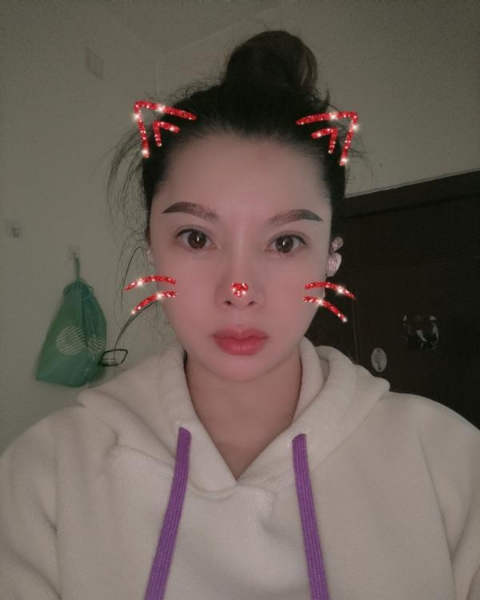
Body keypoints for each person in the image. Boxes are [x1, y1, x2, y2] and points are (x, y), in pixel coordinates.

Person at [1, 30, 479, 600]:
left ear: (331, 256)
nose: (239, 290)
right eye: (196, 237)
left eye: (285, 242)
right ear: (152, 248)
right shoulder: (46, 476)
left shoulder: (449, 462)